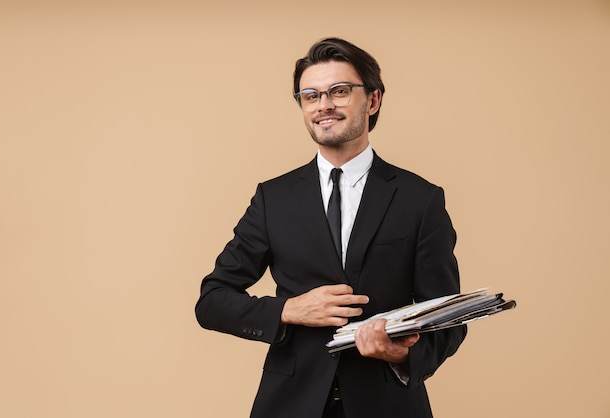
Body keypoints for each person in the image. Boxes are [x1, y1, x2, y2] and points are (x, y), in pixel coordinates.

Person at [195, 37, 466, 418]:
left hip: (388, 405)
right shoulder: (273, 198)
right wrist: (288, 309)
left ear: (373, 100)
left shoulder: (420, 199)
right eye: (310, 95)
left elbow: (448, 318)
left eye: (339, 91)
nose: (324, 105)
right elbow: (212, 301)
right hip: (289, 405)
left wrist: (401, 353)